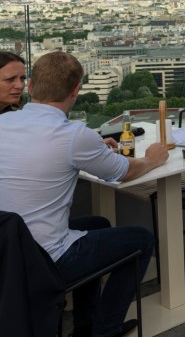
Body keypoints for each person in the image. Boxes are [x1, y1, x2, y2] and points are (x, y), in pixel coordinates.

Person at [0, 51, 169, 337]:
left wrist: (92, 147)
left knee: (99, 225)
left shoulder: (5, 123)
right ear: (76, 90)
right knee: (142, 240)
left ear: (31, 87)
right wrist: (153, 158)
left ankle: (85, 325)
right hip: (46, 261)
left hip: (11, 252)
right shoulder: (75, 135)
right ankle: (105, 331)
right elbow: (123, 171)